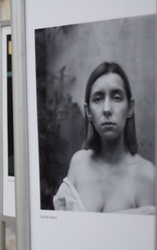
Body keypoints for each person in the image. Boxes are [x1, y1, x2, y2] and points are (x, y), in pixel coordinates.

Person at [53, 62, 155, 215]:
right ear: (88, 111)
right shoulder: (78, 164)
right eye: (98, 99)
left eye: (116, 97)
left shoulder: (147, 176)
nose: (107, 109)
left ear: (130, 108)